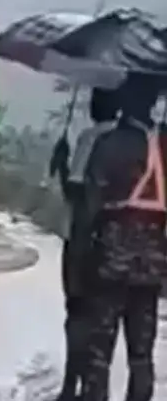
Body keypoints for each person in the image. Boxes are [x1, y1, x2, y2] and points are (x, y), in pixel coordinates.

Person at [77, 75, 167, 401]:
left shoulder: (110, 144)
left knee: (99, 350)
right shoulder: (164, 147)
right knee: (142, 352)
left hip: (111, 257)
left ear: (125, 101)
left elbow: (88, 209)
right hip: (154, 262)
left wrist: (80, 261)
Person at [57, 88, 119, 401]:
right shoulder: (141, 143)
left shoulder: (92, 138)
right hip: (119, 248)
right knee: (104, 321)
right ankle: (95, 389)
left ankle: (72, 386)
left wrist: (62, 166)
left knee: (77, 312)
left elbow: (77, 194)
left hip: (82, 240)